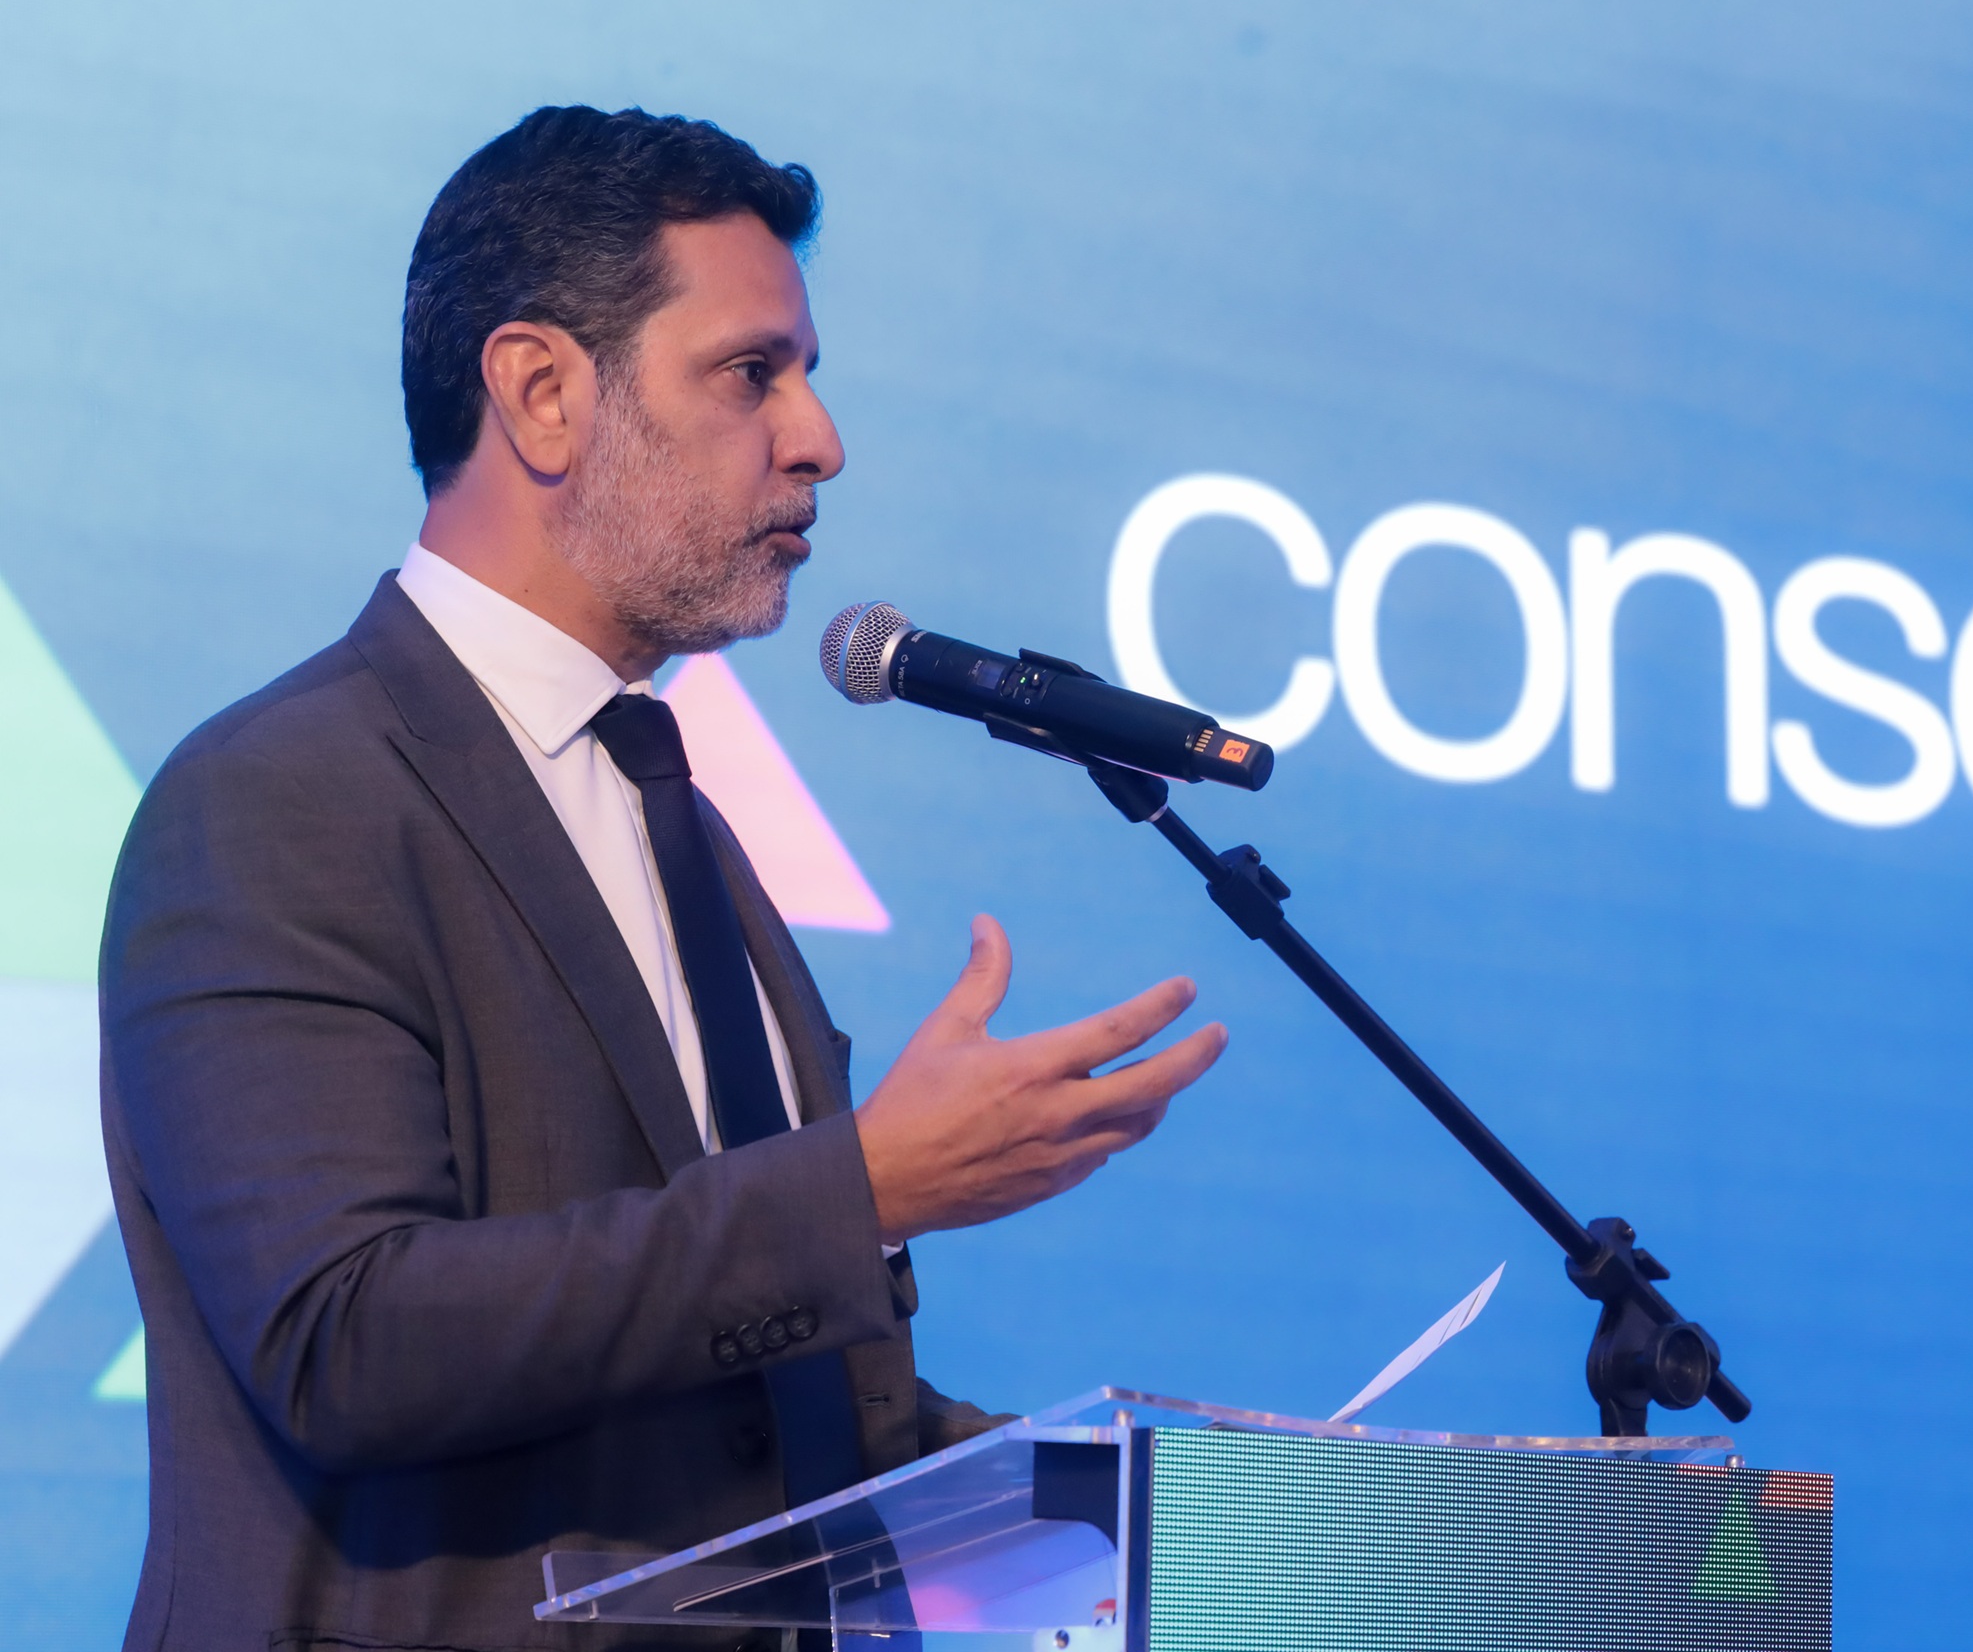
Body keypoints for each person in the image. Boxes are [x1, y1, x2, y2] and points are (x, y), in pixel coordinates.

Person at [98, 105, 1227, 1652]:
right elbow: (344, 1340)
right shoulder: (282, 794)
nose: (820, 439)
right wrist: (864, 1191)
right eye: (753, 372)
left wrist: (1190, 1529)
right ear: (541, 393)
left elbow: (772, 1435)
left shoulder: (666, 808)